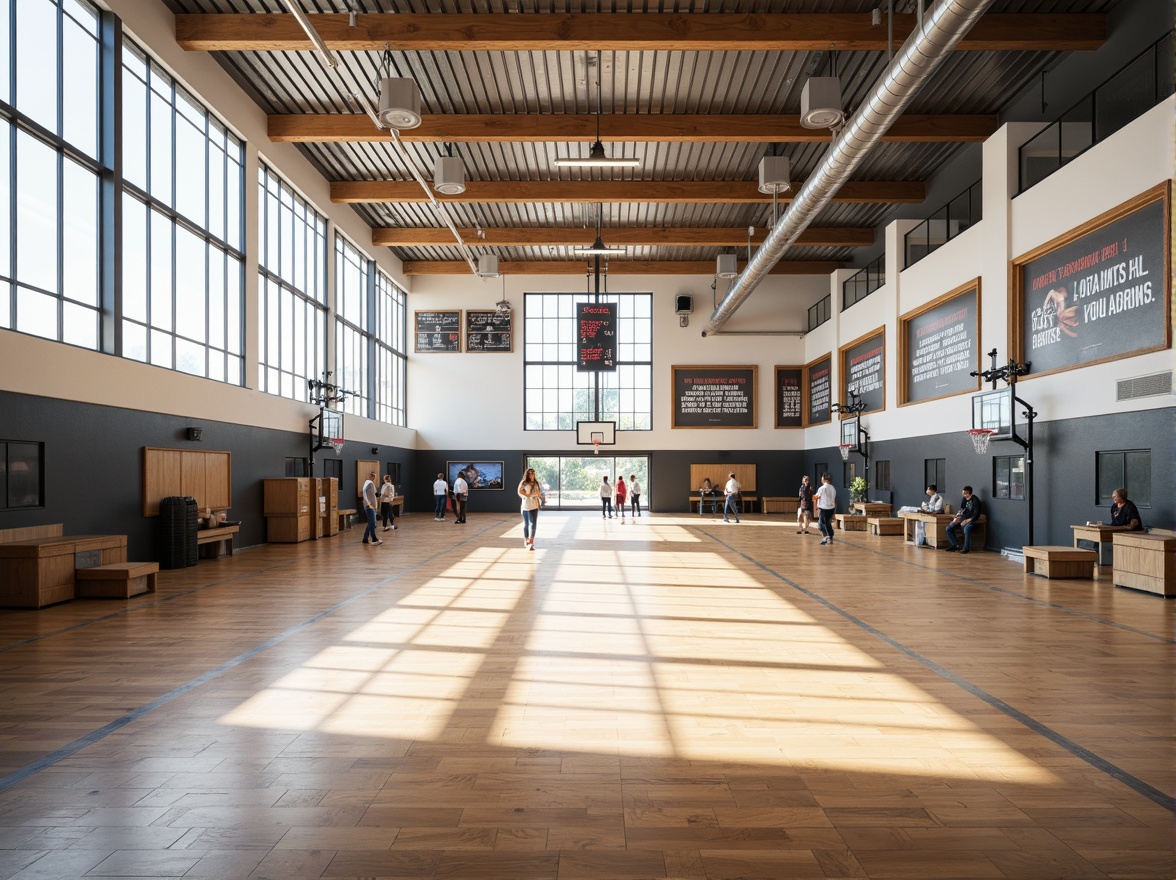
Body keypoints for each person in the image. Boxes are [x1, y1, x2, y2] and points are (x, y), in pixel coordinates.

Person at [946, 486, 982, 553]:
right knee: (949, 528)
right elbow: (961, 509)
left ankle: (966, 548)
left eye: (966, 493)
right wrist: (956, 518)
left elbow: (976, 514)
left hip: (972, 520)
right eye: (963, 493)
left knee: (966, 528)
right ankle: (955, 545)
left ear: (969, 493)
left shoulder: (975, 501)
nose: (964, 495)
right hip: (963, 519)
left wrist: (968, 520)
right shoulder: (964, 499)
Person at [517, 467, 543, 550]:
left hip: (534, 505)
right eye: (530, 473)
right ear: (527, 474)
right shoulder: (524, 482)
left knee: (534, 524)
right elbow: (519, 491)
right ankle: (526, 539)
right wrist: (528, 495)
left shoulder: (536, 483)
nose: (531, 474)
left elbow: (539, 493)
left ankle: (531, 541)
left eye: (533, 473)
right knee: (526, 524)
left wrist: (537, 495)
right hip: (526, 506)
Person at [361, 471, 382, 545]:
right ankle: (374, 539)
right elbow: (364, 492)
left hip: (372, 506)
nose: (374, 478)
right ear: (370, 476)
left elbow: (373, 495)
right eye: (373, 476)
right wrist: (368, 503)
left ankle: (365, 538)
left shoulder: (371, 484)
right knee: (372, 523)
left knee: (371, 523)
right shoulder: (369, 483)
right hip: (369, 506)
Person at [815, 472, 837, 544]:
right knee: (828, 523)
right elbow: (834, 498)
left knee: (820, 524)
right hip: (831, 508)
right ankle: (831, 536)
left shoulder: (821, 488)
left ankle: (826, 535)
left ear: (824, 479)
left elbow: (817, 496)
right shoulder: (832, 488)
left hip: (823, 508)